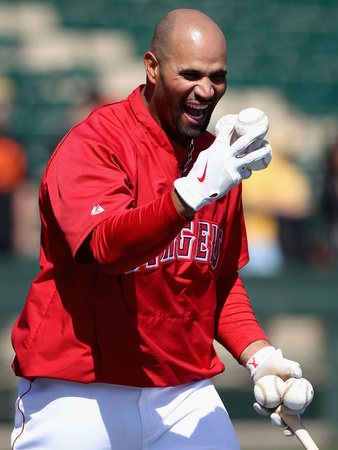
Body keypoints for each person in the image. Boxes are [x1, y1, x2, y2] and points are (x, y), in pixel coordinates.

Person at [10, 9, 311, 449]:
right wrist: (191, 194)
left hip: (181, 389)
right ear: (151, 67)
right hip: (80, 385)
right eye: (190, 74)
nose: (205, 90)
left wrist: (259, 355)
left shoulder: (217, 160)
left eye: (217, 77)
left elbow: (218, 280)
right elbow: (108, 248)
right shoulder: (95, 142)